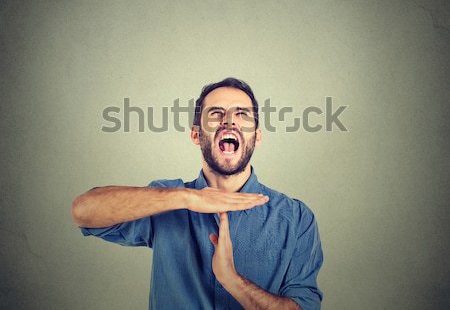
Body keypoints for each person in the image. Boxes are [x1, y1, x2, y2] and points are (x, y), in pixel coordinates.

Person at [72, 77, 323, 310]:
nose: (228, 121)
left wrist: (231, 280)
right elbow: (83, 211)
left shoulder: (296, 218)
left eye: (242, 114)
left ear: (256, 137)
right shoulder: (166, 200)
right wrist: (187, 197)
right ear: (196, 135)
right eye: (215, 113)